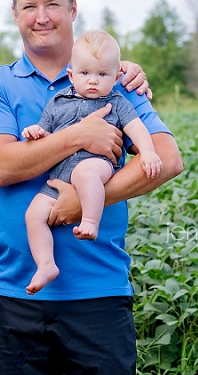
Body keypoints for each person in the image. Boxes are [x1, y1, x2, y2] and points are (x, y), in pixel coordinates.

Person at [0, 0, 184, 374]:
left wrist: (81, 204)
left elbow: (167, 158)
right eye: (29, 6)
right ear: (15, 15)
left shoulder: (114, 83)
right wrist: (80, 136)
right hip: (15, 296)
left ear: (73, 9)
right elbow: (0, 166)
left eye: (53, 4)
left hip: (98, 293)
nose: (41, 17)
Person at [22, 29, 163, 295]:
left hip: (98, 165)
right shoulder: (58, 101)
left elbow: (136, 128)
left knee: (86, 173)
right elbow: (46, 136)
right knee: (34, 215)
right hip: (59, 177)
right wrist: (35, 132)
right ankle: (46, 264)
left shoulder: (117, 101)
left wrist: (149, 151)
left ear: (116, 77)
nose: (93, 81)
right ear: (72, 75)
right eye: (85, 74)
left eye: (102, 75)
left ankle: (90, 221)